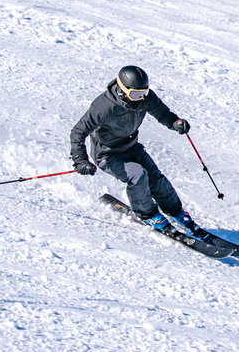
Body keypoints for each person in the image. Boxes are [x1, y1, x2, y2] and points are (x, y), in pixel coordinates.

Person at [70, 65, 200, 234]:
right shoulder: (104, 106)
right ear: (123, 90)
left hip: (131, 147)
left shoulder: (146, 98)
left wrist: (175, 123)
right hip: (108, 155)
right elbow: (78, 132)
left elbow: (162, 113)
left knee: (155, 178)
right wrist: (80, 160)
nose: (140, 98)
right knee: (138, 175)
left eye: (143, 93)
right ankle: (147, 214)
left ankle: (175, 211)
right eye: (135, 94)